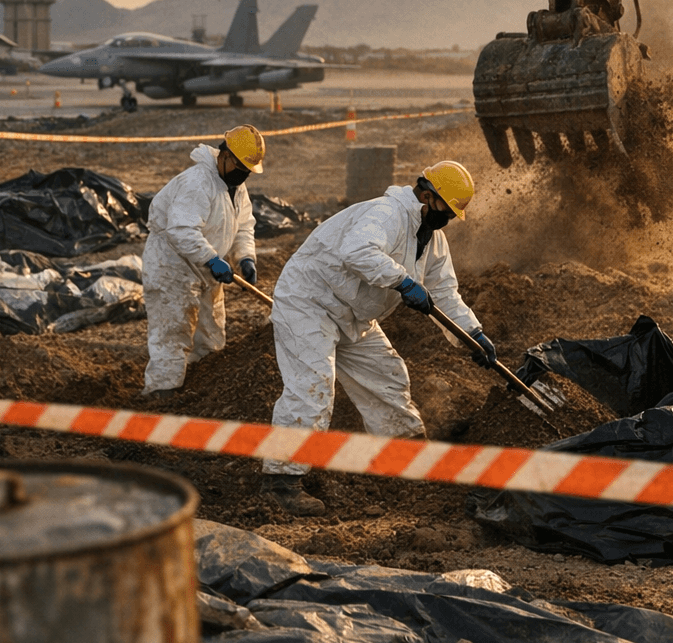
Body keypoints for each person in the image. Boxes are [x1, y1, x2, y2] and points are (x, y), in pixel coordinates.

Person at [261, 160, 493, 515]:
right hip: (310, 301)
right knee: (314, 386)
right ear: (427, 197)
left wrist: (473, 334)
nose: (447, 218)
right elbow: (357, 251)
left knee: (387, 376)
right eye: (446, 210)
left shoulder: (433, 240)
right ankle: (282, 480)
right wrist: (402, 281)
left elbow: (445, 292)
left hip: (354, 313)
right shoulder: (387, 213)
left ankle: (405, 455)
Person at [140, 125, 264, 398]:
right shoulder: (197, 182)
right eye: (241, 167)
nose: (243, 175)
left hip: (207, 268)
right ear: (225, 156)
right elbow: (181, 230)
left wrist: (246, 257)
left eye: (247, 170)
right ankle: (162, 391)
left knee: (210, 333)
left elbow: (244, 225)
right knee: (173, 329)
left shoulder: (236, 187)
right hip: (173, 265)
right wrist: (212, 259)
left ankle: (200, 390)